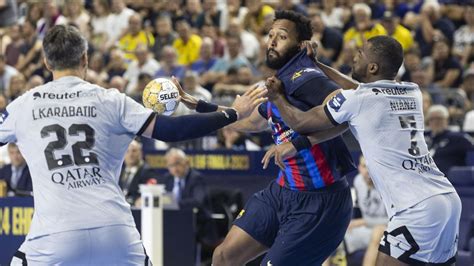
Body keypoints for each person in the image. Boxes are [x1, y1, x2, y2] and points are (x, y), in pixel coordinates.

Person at [6, 25, 265, 264]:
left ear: (46, 61)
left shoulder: (23, 105)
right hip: (113, 228)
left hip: (54, 234)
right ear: (85, 58)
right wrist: (232, 113)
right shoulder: (111, 100)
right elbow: (172, 130)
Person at [263, 35, 461, 265]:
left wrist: (277, 98)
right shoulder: (411, 90)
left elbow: (302, 123)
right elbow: (360, 89)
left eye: (360, 53)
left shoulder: (358, 100)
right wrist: (317, 64)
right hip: (447, 200)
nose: (354, 55)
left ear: (373, 66)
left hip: (415, 207)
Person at [179, 10, 355, 265]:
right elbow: (248, 120)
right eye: (270, 34)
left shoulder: (307, 78)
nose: (271, 41)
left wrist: (297, 144)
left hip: (320, 202)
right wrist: (201, 105)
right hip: (282, 192)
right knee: (223, 256)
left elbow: (348, 115)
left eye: (281, 37)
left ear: (299, 45)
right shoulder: (278, 81)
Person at [343, 156, 387, 266]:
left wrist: (363, 221)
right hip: (365, 229)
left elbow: (394, 220)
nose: (367, 171)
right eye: (364, 166)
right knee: (332, 232)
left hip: (386, 229)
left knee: (378, 231)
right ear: (359, 168)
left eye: (370, 167)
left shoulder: (386, 185)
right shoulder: (358, 181)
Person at [424, 105, 473, 175]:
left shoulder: (458, 138)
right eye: (432, 119)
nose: (436, 122)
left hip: (447, 178)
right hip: (424, 176)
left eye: (439, 118)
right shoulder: (423, 137)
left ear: (447, 120)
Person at [119, 140, 156, 206]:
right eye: (127, 151)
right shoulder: (119, 172)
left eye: (134, 151)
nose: (131, 154)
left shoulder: (147, 171)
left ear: (140, 153)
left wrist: (143, 199)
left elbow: (151, 194)